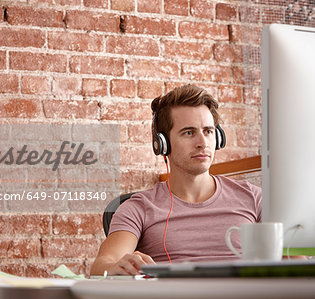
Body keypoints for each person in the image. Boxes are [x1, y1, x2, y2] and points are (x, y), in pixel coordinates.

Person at [90, 84, 261, 275]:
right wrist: (117, 266)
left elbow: (294, 259)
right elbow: (102, 265)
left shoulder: (253, 197)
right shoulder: (138, 208)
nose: (202, 143)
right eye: (189, 132)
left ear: (218, 137)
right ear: (162, 144)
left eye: (208, 131)